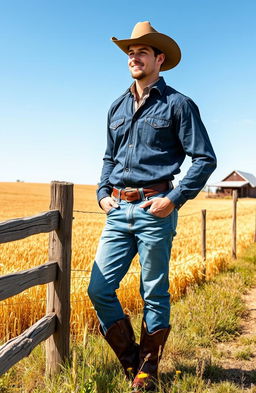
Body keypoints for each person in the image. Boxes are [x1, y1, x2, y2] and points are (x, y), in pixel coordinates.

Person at [88, 21, 217, 391]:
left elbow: (205, 159)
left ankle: (148, 372)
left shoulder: (179, 104)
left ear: (159, 59)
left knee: (154, 291)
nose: (133, 56)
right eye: (130, 52)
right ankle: (132, 361)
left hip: (154, 209)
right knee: (98, 288)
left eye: (141, 51)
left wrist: (173, 200)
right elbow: (109, 158)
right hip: (117, 210)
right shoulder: (116, 106)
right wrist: (102, 193)